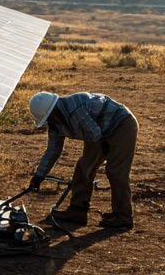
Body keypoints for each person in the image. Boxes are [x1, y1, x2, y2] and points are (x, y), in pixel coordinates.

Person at [27, 90, 138, 229]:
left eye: (48, 118)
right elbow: (53, 151)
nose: (49, 122)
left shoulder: (76, 110)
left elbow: (94, 134)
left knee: (116, 171)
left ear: (54, 111)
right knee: (83, 168)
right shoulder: (55, 121)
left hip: (121, 124)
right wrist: (39, 176)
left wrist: (104, 149)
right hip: (99, 131)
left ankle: (123, 217)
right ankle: (77, 211)